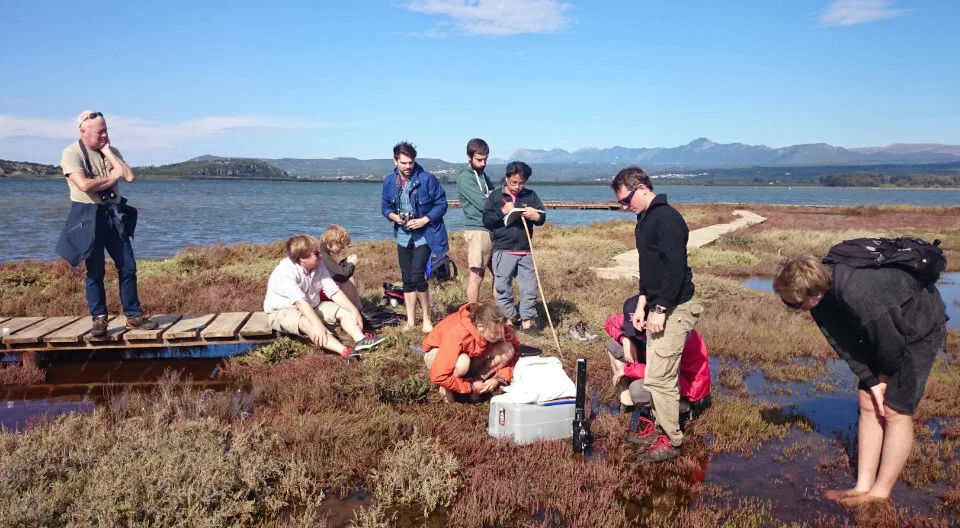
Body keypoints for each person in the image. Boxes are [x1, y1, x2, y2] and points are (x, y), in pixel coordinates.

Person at [774, 254, 946, 507]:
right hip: (884, 327)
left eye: (794, 305)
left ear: (814, 294)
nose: (792, 308)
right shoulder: (822, 298)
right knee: (867, 400)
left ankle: (879, 494)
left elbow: (891, 344)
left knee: (895, 410)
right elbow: (841, 340)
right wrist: (870, 380)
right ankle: (862, 486)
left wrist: (885, 378)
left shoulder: (860, 294)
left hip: (917, 329)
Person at [611, 165, 703, 463]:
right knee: (656, 374)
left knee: (661, 378)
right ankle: (658, 426)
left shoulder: (667, 219)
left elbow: (675, 269)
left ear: (642, 188)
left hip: (675, 308)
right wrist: (642, 303)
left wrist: (661, 308)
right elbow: (650, 270)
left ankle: (671, 440)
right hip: (657, 305)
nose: (625, 207)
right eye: (621, 203)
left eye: (626, 200)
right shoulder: (644, 218)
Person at [56, 110, 158, 337]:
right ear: (83, 132)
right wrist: (112, 177)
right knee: (95, 270)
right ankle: (99, 319)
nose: (104, 135)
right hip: (87, 215)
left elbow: (129, 177)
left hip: (114, 213)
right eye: (99, 131)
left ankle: (133, 316)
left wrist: (107, 152)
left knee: (128, 266)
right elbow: (83, 185)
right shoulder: (71, 153)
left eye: (106, 130)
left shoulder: (111, 151)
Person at [264, 235, 385, 359]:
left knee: (345, 311)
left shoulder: (318, 265)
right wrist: (318, 324)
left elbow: (333, 291)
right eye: (316, 254)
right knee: (308, 323)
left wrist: (354, 310)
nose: (321, 255)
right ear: (302, 259)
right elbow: (300, 303)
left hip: (312, 304)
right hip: (283, 310)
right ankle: (345, 352)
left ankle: (361, 340)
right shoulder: (286, 272)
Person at [603, 295, 711, 422]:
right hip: (660, 368)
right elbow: (609, 322)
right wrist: (625, 339)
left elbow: (661, 372)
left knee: (638, 390)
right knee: (612, 344)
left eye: (642, 331)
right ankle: (627, 402)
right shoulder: (635, 317)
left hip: (686, 383)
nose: (638, 335)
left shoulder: (672, 333)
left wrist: (627, 369)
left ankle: (686, 409)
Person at [380, 141, 449, 332]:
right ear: (395, 161)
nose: (407, 166)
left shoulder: (428, 179)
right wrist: (394, 217)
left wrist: (424, 220)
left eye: (410, 163)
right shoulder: (388, 182)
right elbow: (385, 207)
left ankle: (426, 319)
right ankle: (411, 321)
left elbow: (442, 204)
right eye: (403, 163)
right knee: (407, 277)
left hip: (425, 235)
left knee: (418, 275)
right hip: (402, 235)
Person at [482, 161, 546, 334]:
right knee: (503, 287)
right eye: (514, 183)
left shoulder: (531, 196)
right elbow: (486, 220)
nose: (517, 186)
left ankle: (527, 322)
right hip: (503, 249)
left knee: (530, 287)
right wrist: (502, 212)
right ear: (507, 178)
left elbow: (542, 217)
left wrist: (535, 216)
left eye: (522, 183)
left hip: (525, 250)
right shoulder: (496, 196)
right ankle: (510, 319)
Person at [422, 302, 520, 403]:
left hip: (470, 355)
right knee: (462, 363)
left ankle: (478, 381)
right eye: (495, 333)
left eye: (502, 331)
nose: (500, 336)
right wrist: (470, 387)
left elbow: (515, 354)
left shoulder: (496, 323)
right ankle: (448, 387)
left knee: (508, 349)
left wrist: (498, 379)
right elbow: (438, 375)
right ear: (480, 327)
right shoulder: (459, 332)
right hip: (437, 352)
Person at [456, 138, 495, 304]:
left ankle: (501, 314)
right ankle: (472, 314)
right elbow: (483, 203)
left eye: (485, 159)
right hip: (478, 229)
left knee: (500, 274)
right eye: (479, 159)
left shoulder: (482, 175)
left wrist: (491, 197)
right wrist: (489, 198)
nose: (483, 163)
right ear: (469, 157)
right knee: (477, 275)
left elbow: (495, 196)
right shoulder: (466, 177)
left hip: (492, 228)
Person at [319, 224, 363, 311]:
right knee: (345, 280)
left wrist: (345, 263)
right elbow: (342, 274)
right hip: (318, 294)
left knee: (349, 277)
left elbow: (334, 271)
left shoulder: (323, 251)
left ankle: (359, 308)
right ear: (333, 242)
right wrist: (351, 264)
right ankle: (356, 309)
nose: (343, 248)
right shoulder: (322, 254)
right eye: (341, 245)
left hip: (320, 288)